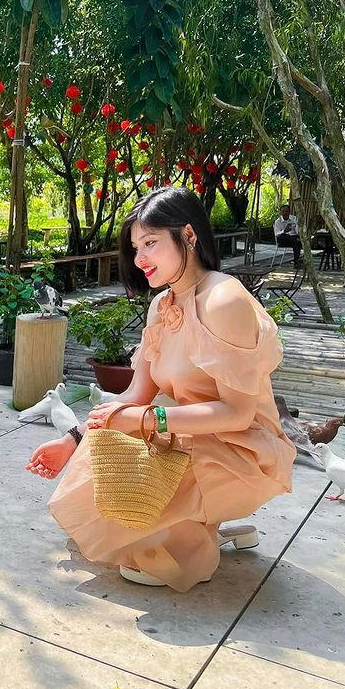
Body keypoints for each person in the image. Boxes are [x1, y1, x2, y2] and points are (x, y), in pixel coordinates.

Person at [27, 186, 296, 591]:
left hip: (243, 448)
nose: (140, 259)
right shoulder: (162, 304)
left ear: (188, 235)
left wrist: (148, 421)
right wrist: (73, 439)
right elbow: (134, 396)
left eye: (151, 243)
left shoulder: (223, 299)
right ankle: (192, 522)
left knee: (155, 559)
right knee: (109, 452)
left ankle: (197, 528)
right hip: (189, 433)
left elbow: (238, 413)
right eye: (136, 247)